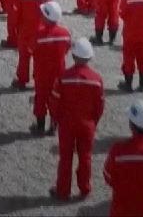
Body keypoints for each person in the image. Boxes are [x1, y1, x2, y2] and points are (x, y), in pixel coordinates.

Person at [48, 37, 103, 201]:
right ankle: (84, 188)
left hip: (67, 123)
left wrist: (54, 119)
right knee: (85, 156)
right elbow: (99, 106)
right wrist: (94, 121)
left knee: (65, 157)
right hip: (87, 124)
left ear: (73, 56)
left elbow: (55, 101)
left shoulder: (64, 77)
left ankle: (63, 190)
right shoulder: (96, 79)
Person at [30, 1, 72, 135]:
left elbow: (31, 49)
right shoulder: (65, 33)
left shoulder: (38, 34)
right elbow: (67, 49)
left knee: (40, 99)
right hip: (59, 72)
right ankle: (54, 124)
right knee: (56, 98)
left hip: (42, 73)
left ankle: (40, 126)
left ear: (46, 17)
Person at [14, 0, 55, 88]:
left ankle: (22, 80)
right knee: (40, 57)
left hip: (26, 28)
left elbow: (17, 12)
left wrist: (16, 27)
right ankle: (38, 79)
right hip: (42, 29)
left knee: (24, 56)